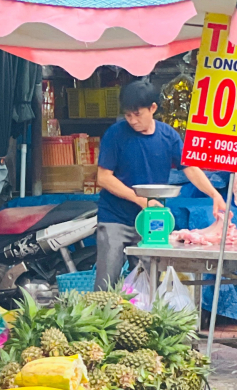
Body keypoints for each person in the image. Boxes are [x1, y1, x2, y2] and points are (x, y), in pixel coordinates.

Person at [94, 79, 226, 290]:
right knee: (106, 281)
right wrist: (140, 200)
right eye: (128, 115)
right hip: (115, 218)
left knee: (149, 280)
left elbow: (190, 169)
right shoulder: (115, 134)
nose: (132, 120)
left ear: (153, 108)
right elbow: (104, 177)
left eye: (137, 114)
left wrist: (214, 195)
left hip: (151, 221)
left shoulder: (168, 136)